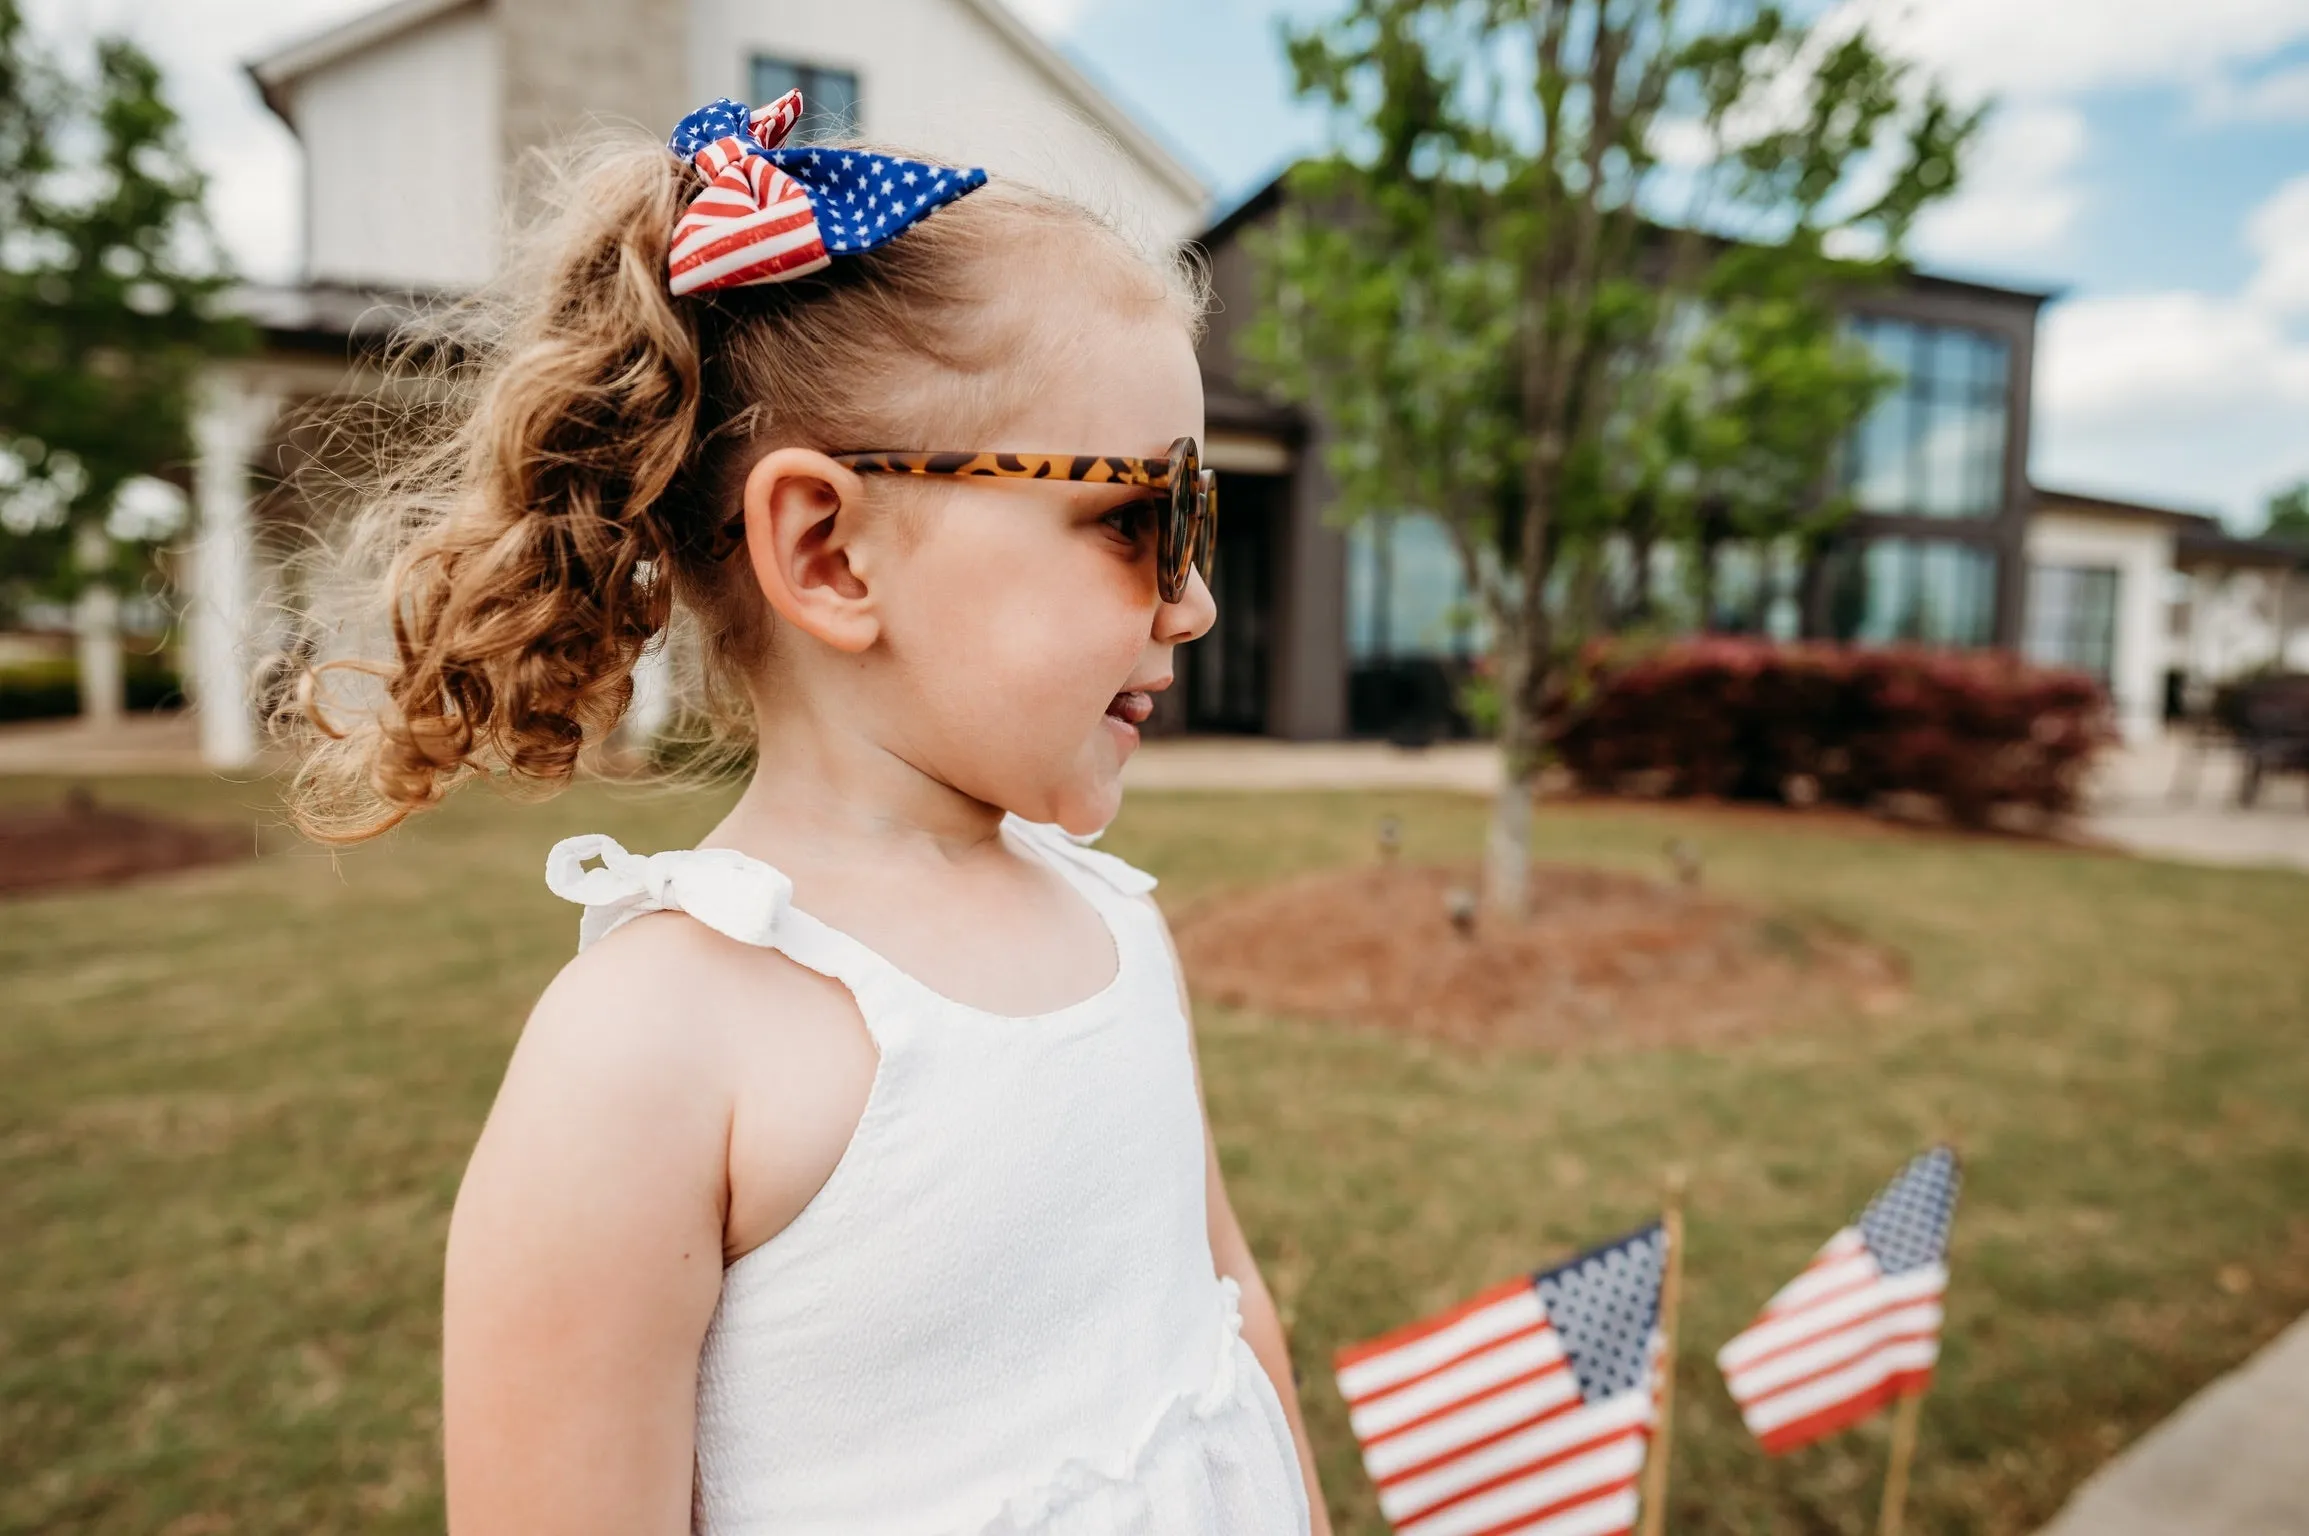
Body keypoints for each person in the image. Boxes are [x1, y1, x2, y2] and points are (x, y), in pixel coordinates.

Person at [287, 92, 1328, 1536]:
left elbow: (1227, 1322)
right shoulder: (651, 1054)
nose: (1196, 595)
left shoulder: (1111, 916)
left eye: (1200, 519)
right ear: (830, 551)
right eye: (1141, 518)